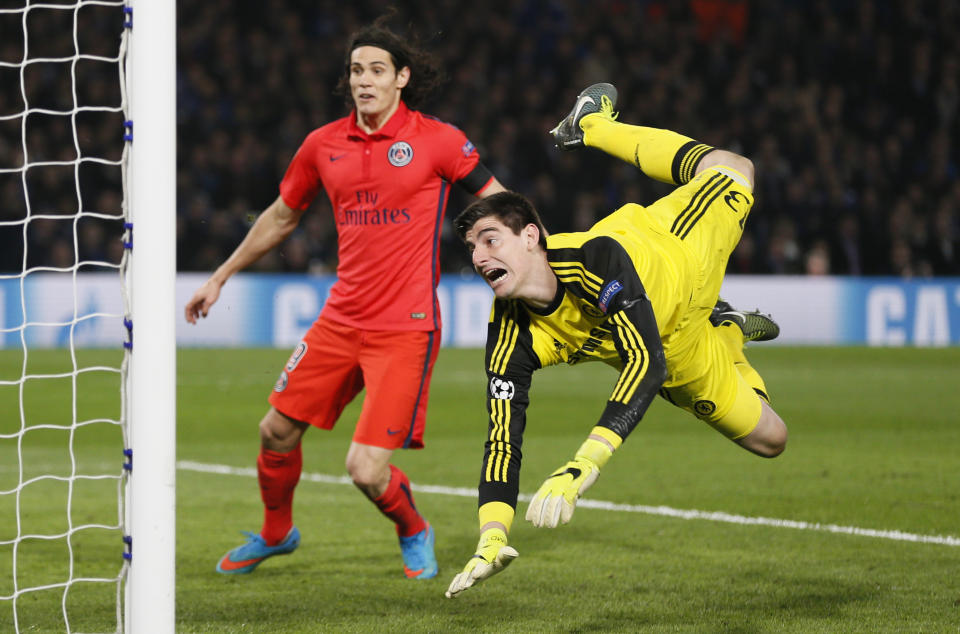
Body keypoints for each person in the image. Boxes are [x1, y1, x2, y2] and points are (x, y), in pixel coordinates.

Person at [184, 15, 506, 580]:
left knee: (364, 468)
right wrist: (221, 275)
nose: (364, 79)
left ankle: (414, 527)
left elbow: (497, 200)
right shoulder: (323, 145)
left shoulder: (437, 140)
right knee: (275, 430)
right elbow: (283, 215)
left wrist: (524, 256)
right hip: (340, 319)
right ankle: (276, 533)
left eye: (377, 69)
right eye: (356, 69)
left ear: (401, 77)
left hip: (405, 328)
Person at [444, 83, 787, 598]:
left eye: (490, 239)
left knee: (735, 166)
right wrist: (491, 536)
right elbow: (502, 437)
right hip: (678, 346)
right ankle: (729, 328)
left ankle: (593, 126)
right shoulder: (509, 332)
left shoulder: (595, 260)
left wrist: (582, 465)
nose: (479, 257)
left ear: (531, 237)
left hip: (679, 248)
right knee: (770, 439)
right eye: (472, 248)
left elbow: (643, 364)